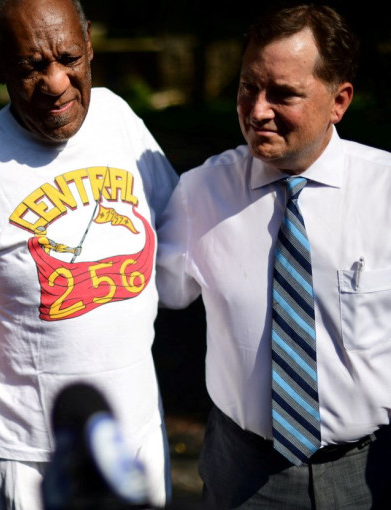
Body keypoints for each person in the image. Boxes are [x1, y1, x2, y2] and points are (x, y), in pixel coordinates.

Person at [0, 0, 178, 507]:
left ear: (90, 44)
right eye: (31, 66)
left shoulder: (118, 117)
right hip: (32, 463)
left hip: (140, 439)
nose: (56, 82)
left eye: (69, 58)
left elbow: (176, 224)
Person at [156, 4, 391, 508]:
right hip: (244, 474)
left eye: (283, 94)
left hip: (373, 469)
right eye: (248, 87)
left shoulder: (385, 192)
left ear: (339, 101)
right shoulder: (200, 193)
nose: (257, 110)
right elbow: (147, 296)